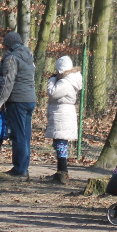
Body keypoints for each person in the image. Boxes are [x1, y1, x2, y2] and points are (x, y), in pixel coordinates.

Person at [0, 32, 36, 179]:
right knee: (25, 135)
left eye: (4, 46)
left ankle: (19, 169)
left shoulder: (11, 58)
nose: (4, 49)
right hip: (30, 99)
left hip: (17, 100)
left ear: (8, 45)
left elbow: (7, 83)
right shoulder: (28, 56)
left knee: (18, 135)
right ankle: (24, 167)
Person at [44, 56, 83, 184]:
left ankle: (62, 171)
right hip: (62, 114)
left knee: (60, 144)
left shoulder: (65, 82)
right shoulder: (69, 80)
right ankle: (60, 171)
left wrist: (51, 79)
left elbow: (52, 92)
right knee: (59, 144)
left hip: (62, 115)